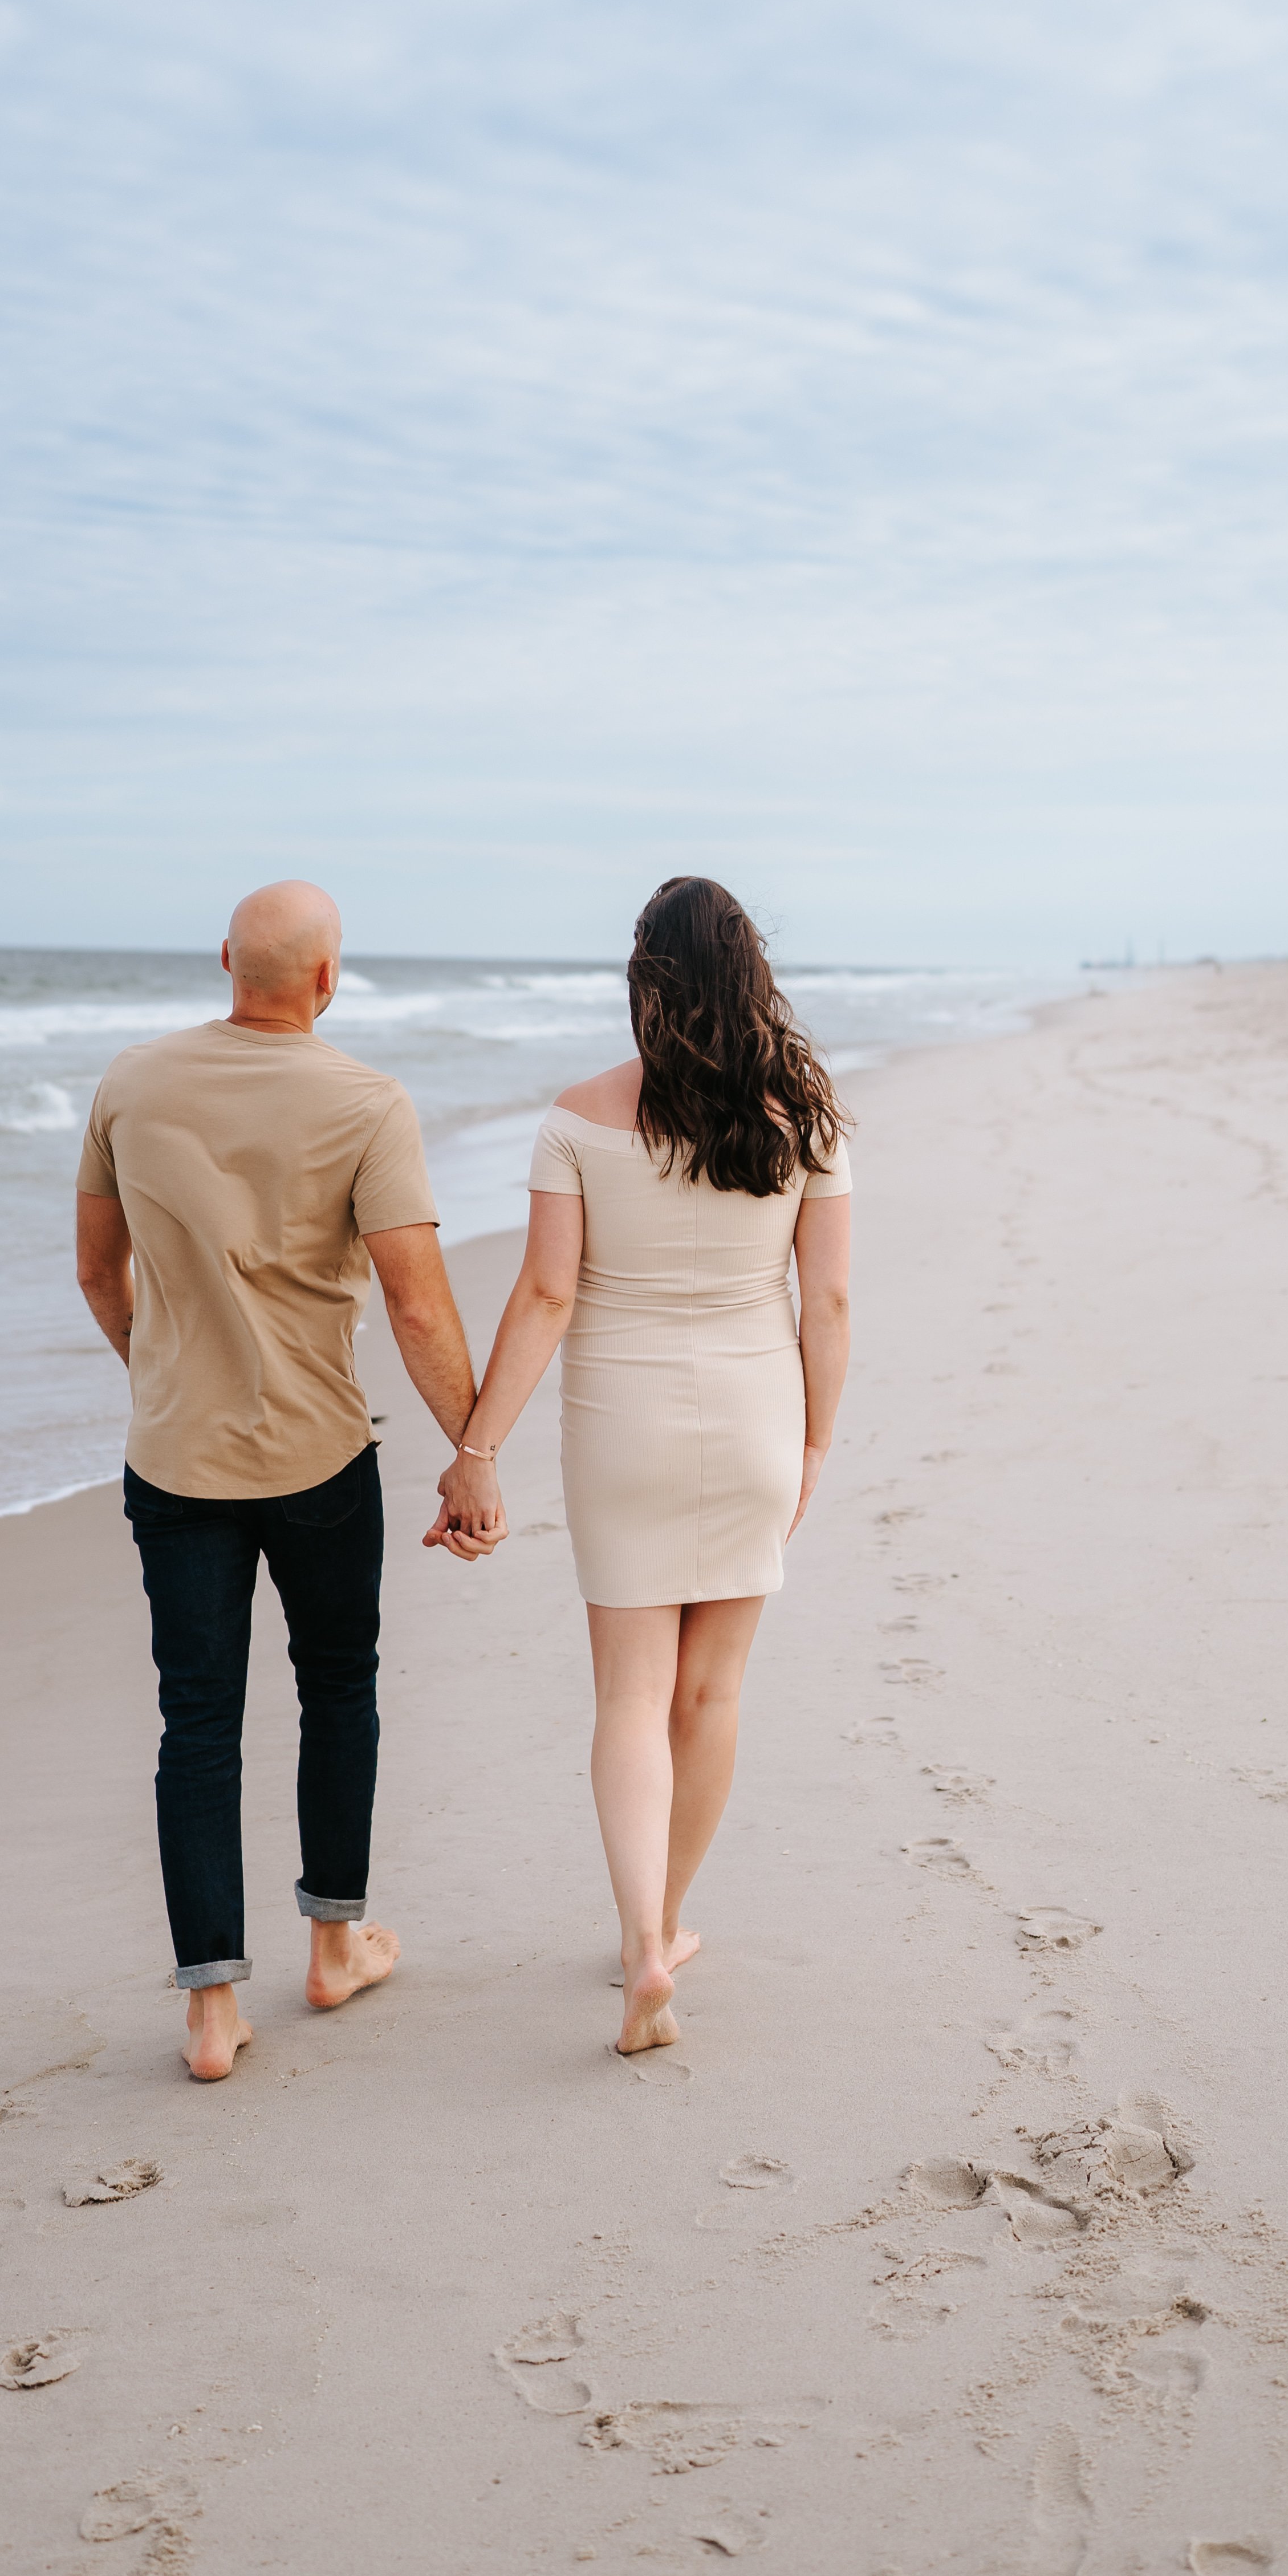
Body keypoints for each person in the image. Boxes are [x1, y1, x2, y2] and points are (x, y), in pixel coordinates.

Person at [430, 875, 852, 2054]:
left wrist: (477, 1449)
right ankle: (661, 1930)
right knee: (709, 1697)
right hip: (757, 1420)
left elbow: (549, 1293)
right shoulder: (802, 1119)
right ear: (750, 978)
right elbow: (826, 1297)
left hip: (619, 1431)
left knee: (627, 1699)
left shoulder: (575, 1118)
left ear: (643, 982)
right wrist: (816, 1439)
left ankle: (638, 1952)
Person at [76, 880, 482, 2082]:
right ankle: (332, 1946)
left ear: (223, 962)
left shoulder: (129, 1084)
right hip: (318, 1455)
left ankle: (209, 2015)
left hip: (176, 1458)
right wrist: (472, 1452)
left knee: (196, 1722)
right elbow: (413, 1300)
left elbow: (101, 1276)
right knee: (336, 1690)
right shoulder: (365, 1102)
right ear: (326, 978)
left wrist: (161, 1376)